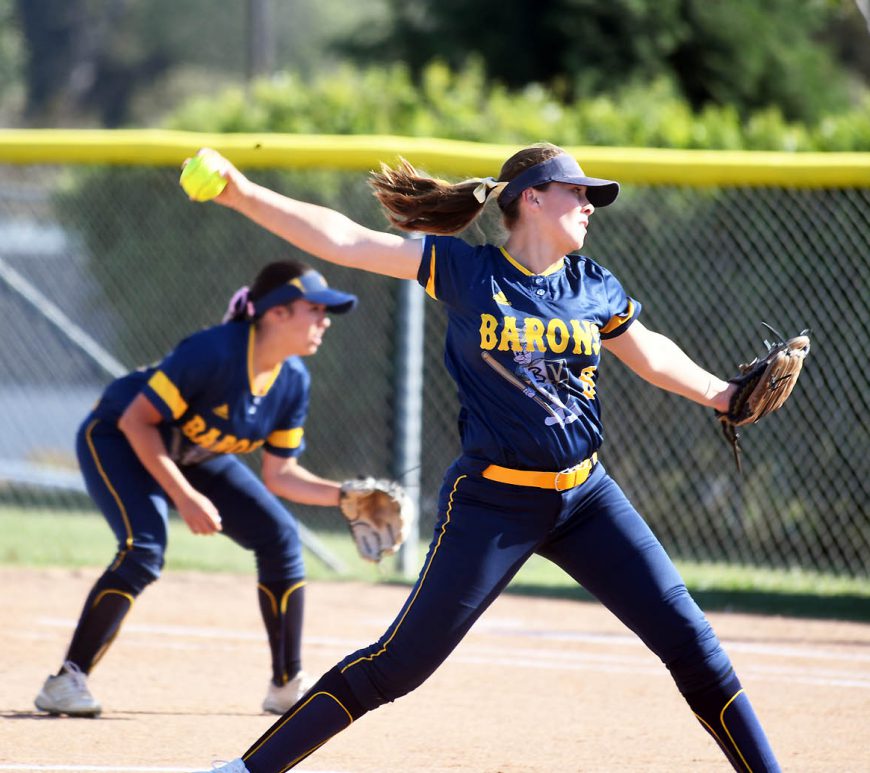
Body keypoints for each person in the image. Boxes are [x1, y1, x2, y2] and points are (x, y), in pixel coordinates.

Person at [188, 144, 780, 772]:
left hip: (587, 498)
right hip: (495, 502)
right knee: (400, 664)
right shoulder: (469, 272)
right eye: (576, 192)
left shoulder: (592, 284)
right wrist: (242, 194)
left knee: (694, 644)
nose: (588, 205)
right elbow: (346, 241)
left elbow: (651, 353)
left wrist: (724, 393)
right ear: (531, 196)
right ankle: (246, 771)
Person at [34, 259, 360, 718]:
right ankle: (65, 681)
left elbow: (280, 475)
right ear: (276, 312)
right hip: (118, 437)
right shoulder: (215, 352)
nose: (325, 321)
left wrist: (348, 497)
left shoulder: (292, 381)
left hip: (193, 453)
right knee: (143, 549)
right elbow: (137, 421)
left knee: (281, 538)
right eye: (315, 309)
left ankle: (287, 684)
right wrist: (184, 496)